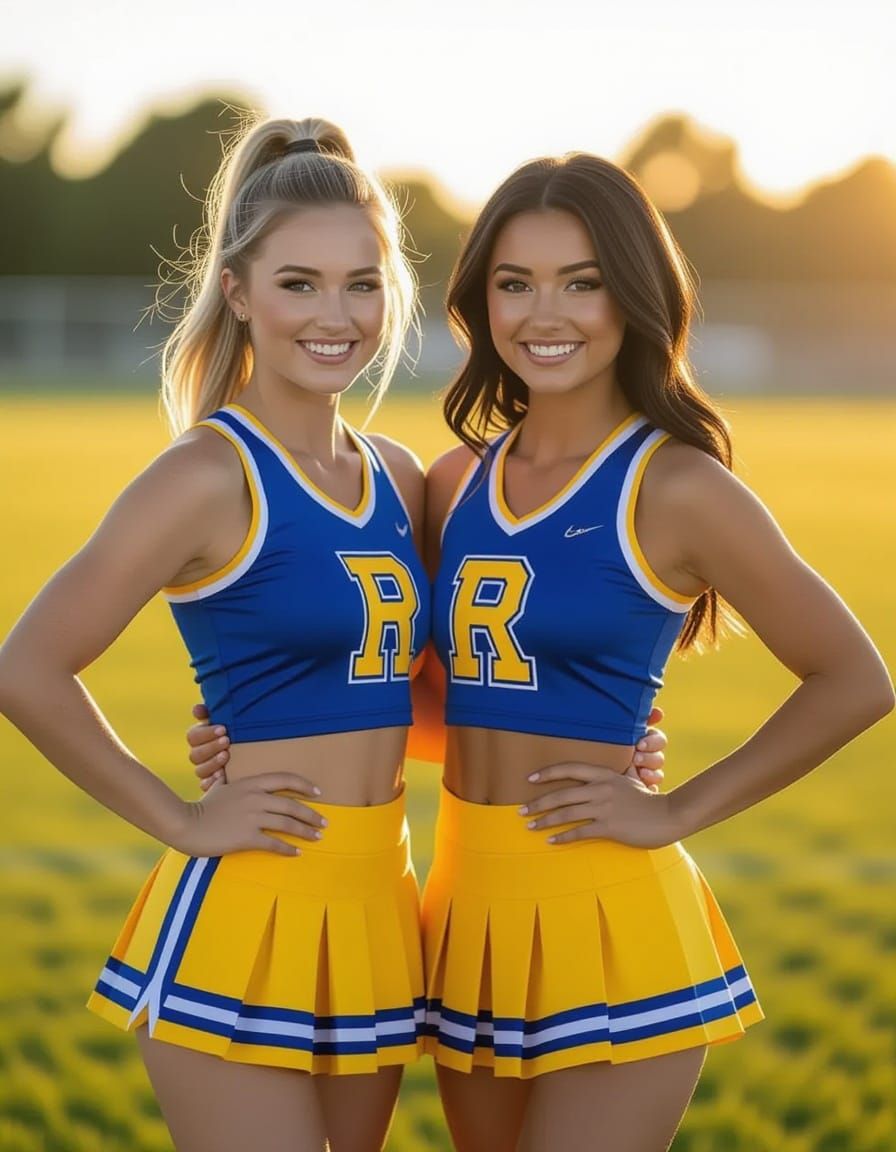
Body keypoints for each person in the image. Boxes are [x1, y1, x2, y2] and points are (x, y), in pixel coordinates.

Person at [410, 152, 893, 1152]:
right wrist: (254, 735)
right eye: (515, 283)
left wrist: (674, 809)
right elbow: (420, 701)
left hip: (611, 910)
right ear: (481, 301)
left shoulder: (677, 487)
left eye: (580, 282)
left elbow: (854, 679)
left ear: (633, 295)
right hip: (465, 910)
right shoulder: (452, 482)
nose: (544, 313)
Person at [0, 115, 433, 1152]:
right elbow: (28, 669)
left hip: (379, 902)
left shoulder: (400, 477)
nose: (335, 315)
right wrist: (181, 817)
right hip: (248, 905)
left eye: (361, 284)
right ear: (237, 292)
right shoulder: (205, 475)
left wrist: (612, 750)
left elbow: (400, 687)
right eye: (298, 283)